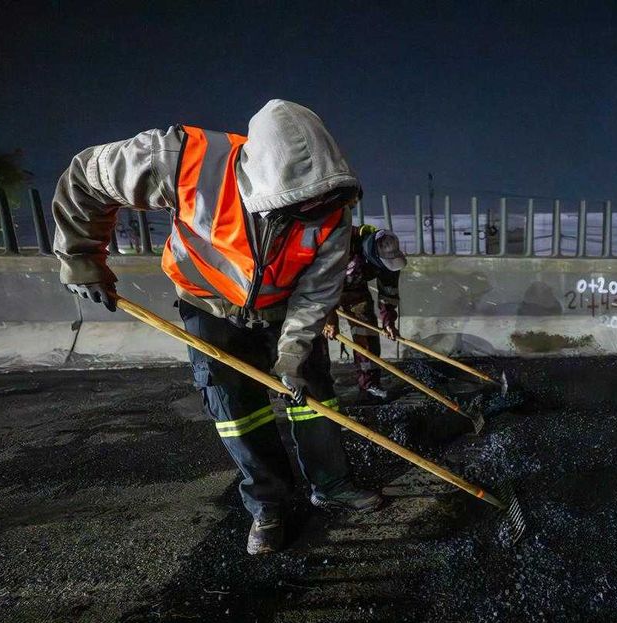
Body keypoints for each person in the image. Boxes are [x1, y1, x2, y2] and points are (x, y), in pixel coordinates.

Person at [52, 99, 382, 556]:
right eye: (299, 207)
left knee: (313, 400)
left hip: (285, 309)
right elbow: (87, 176)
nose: (314, 213)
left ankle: (332, 484)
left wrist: (291, 354)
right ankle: (268, 505)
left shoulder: (333, 206)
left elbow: (317, 294)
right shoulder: (182, 160)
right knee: (237, 411)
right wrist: (82, 259)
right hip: (209, 306)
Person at [322, 225, 407, 401]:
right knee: (316, 340)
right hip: (320, 292)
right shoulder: (341, 243)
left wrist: (388, 321)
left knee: (366, 334)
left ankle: (369, 385)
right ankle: (319, 387)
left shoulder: (387, 260)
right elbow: (321, 284)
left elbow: (389, 292)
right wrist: (330, 319)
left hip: (354, 289)